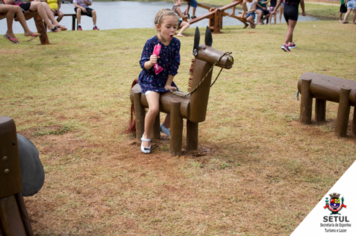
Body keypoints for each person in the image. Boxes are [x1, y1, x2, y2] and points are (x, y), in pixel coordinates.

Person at [138, 9, 181, 154]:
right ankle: (146, 136)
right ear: (158, 26)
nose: (172, 30)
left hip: (165, 80)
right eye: (168, 26)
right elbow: (143, 65)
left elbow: (174, 65)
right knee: (154, 108)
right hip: (150, 80)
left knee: (179, 100)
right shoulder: (151, 43)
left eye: (175, 27)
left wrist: (169, 84)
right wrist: (150, 62)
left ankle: (165, 126)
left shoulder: (175, 43)